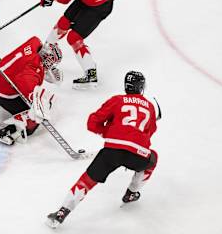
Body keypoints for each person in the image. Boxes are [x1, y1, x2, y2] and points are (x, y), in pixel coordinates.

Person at [46, 71, 160, 229]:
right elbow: (150, 132)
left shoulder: (117, 100)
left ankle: (61, 213)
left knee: (87, 180)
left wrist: (110, 132)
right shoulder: (150, 107)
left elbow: (92, 123)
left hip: (112, 150)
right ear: (141, 87)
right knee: (153, 158)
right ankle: (131, 193)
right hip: (137, 153)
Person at [0, 36, 63, 145]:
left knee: (9, 74)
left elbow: (23, 65)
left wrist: (43, 71)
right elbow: (26, 85)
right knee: (37, 113)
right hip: (3, 95)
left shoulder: (34, 42)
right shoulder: (33, 69)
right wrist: (40, 100)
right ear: (46, 57)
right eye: (51, 62)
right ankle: (13, 129)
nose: (51, 65)